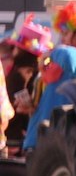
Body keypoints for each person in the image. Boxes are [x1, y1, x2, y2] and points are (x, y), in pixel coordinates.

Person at [22, 2, 76, 155]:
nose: (61, 38)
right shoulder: (59, 65)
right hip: (39, 144)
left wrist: (53, 52)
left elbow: (70, 59)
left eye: (66, 32)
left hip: (62, 149)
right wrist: (32, 108)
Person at [5, 17, 53, 150]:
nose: (12, 50)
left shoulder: (19, 76)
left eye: (16, 47)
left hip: (16, 137)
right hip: (19, 137)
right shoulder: (29, 75)